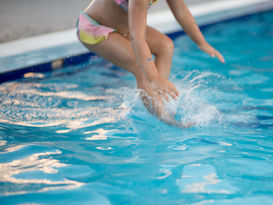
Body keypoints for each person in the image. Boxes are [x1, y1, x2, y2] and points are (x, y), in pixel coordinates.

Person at [76, 0, 225, 127]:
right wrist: (154, 77)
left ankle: (158, 101)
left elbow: (181, 10)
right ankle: (163, 117)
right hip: (94, 27)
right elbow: (137, 38)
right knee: (141, 66)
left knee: (165, 46)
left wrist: (201, 42)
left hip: (124, 28)